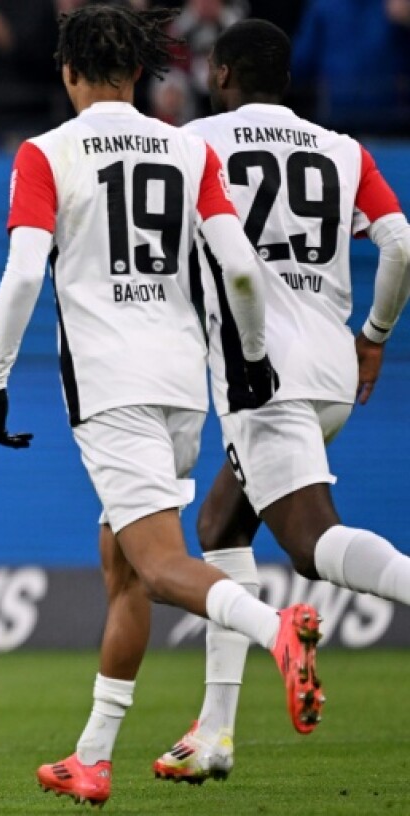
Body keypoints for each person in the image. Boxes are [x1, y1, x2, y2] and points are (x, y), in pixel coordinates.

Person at [0, 5, 322, 807]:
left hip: (110, 387)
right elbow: (237, 265)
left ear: (68, 73)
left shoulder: (46, 152)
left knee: (164, 568)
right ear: (138, 73)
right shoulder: (185, 145)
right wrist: (252, 358)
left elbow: (26, 272)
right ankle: (92, 756)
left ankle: (278, 630)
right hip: (182, 383)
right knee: (124, 566)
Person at [150, 18, 410, 784]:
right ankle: (216, 735)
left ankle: (218, 733)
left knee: (307, 543)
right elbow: (398, 242)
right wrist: (376, 333)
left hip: (260, 370)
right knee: (222, 519)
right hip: (332, 363)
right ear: (287, 81)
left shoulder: (195, 142)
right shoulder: (342, 149)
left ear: (223, 74)